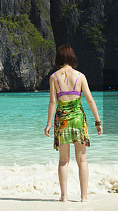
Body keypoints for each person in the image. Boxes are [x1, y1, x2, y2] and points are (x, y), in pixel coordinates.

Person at [44, 45, 102, 202]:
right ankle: (84, 197)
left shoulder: (53, 77)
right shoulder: (80, 76)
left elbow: (52, 102)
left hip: (62, 120)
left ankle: (64, 197)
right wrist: (97, 121)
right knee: (82, 160)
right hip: (78, 119)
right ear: (72, 58)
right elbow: (90, 99)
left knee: (63, 161)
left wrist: (49, 124)